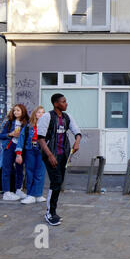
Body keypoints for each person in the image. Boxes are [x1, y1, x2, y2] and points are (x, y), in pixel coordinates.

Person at [37, 94, 82, 226]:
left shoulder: (67, 117)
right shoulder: (47, 117)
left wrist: (77, 142)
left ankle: (53, 211)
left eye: (65, 101)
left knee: (59, 182)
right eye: (63, 102)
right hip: (51, 155)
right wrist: (50, 155)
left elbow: (77, 132)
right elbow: (41, 138)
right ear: (56, 104)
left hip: (64, 155)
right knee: (56, 181)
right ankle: (50, 213)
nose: (66, 104)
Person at [15, 106, 47, 204]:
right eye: (38, 112)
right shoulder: (28, 126)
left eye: (42, 112)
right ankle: (30, 195)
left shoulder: (48, 126)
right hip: (30, 150)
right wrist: (19, 154)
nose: (40, 114)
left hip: (42, 150)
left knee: (40, 172)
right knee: (30, 172)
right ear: (35, 114)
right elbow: (21, 139)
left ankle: (38, 194)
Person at [0, 104, 29, 201]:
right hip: (10, 146)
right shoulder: (10, 122)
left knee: (20, 169)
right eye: (14, 110)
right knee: (6, 168)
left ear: (23, 112)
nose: (15, 112)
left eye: (18, 110)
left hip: (20, 148)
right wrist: (10, 134)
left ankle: (18, 190)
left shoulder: (26, 123)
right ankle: (6, 192)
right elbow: (1, 135)